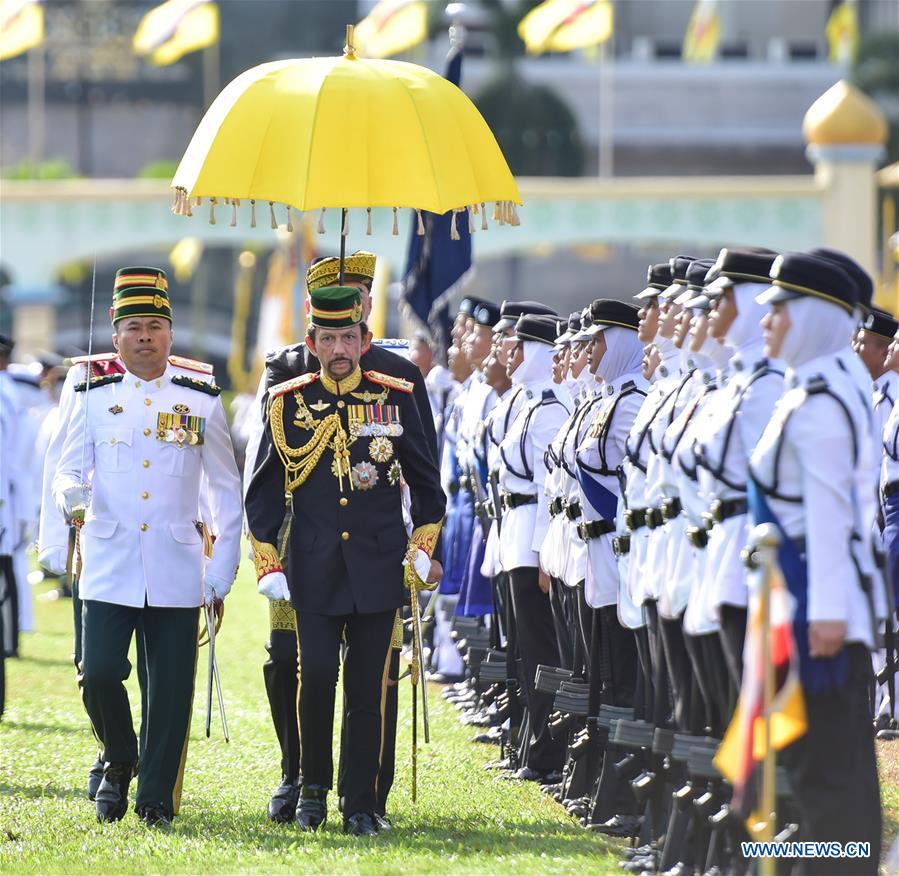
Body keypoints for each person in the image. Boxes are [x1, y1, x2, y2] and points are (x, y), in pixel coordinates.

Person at [242, 250, 440, 824]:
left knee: (368, 686)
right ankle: (304, 784)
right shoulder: (286, 383)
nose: (337, 348)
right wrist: (267, 560)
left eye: (348, 333)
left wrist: (423, 552)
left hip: (379, 564)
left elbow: (426, 478)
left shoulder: (398, 384)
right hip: (308, 561)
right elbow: (265, 481)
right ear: (311, 329)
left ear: (365, 326)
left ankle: (363, 798)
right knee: (307, 673)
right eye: (325, 336)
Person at [51, 267, 243, 827]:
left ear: (170, 334)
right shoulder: (92, 395)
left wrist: (220, 570)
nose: (144, 336)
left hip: (177, 563)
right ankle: (119, 756)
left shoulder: (200, 400)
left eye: (155, 325)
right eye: (133, 326)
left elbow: (224, 491)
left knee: (170, 693)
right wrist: (73, 499)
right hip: (109, 561)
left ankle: (155, 795)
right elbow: (67, 470)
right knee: (101, 672)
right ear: (116, 337)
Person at [750, 252, 881, 872]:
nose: (765, 319)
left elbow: (831, 519)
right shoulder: (818, 386)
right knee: (824, 774)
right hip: (804, 601)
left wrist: (824, 617)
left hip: (814, 611)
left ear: (811, 317)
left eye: (779, 308)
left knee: (825, 775)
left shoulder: (821, 400)